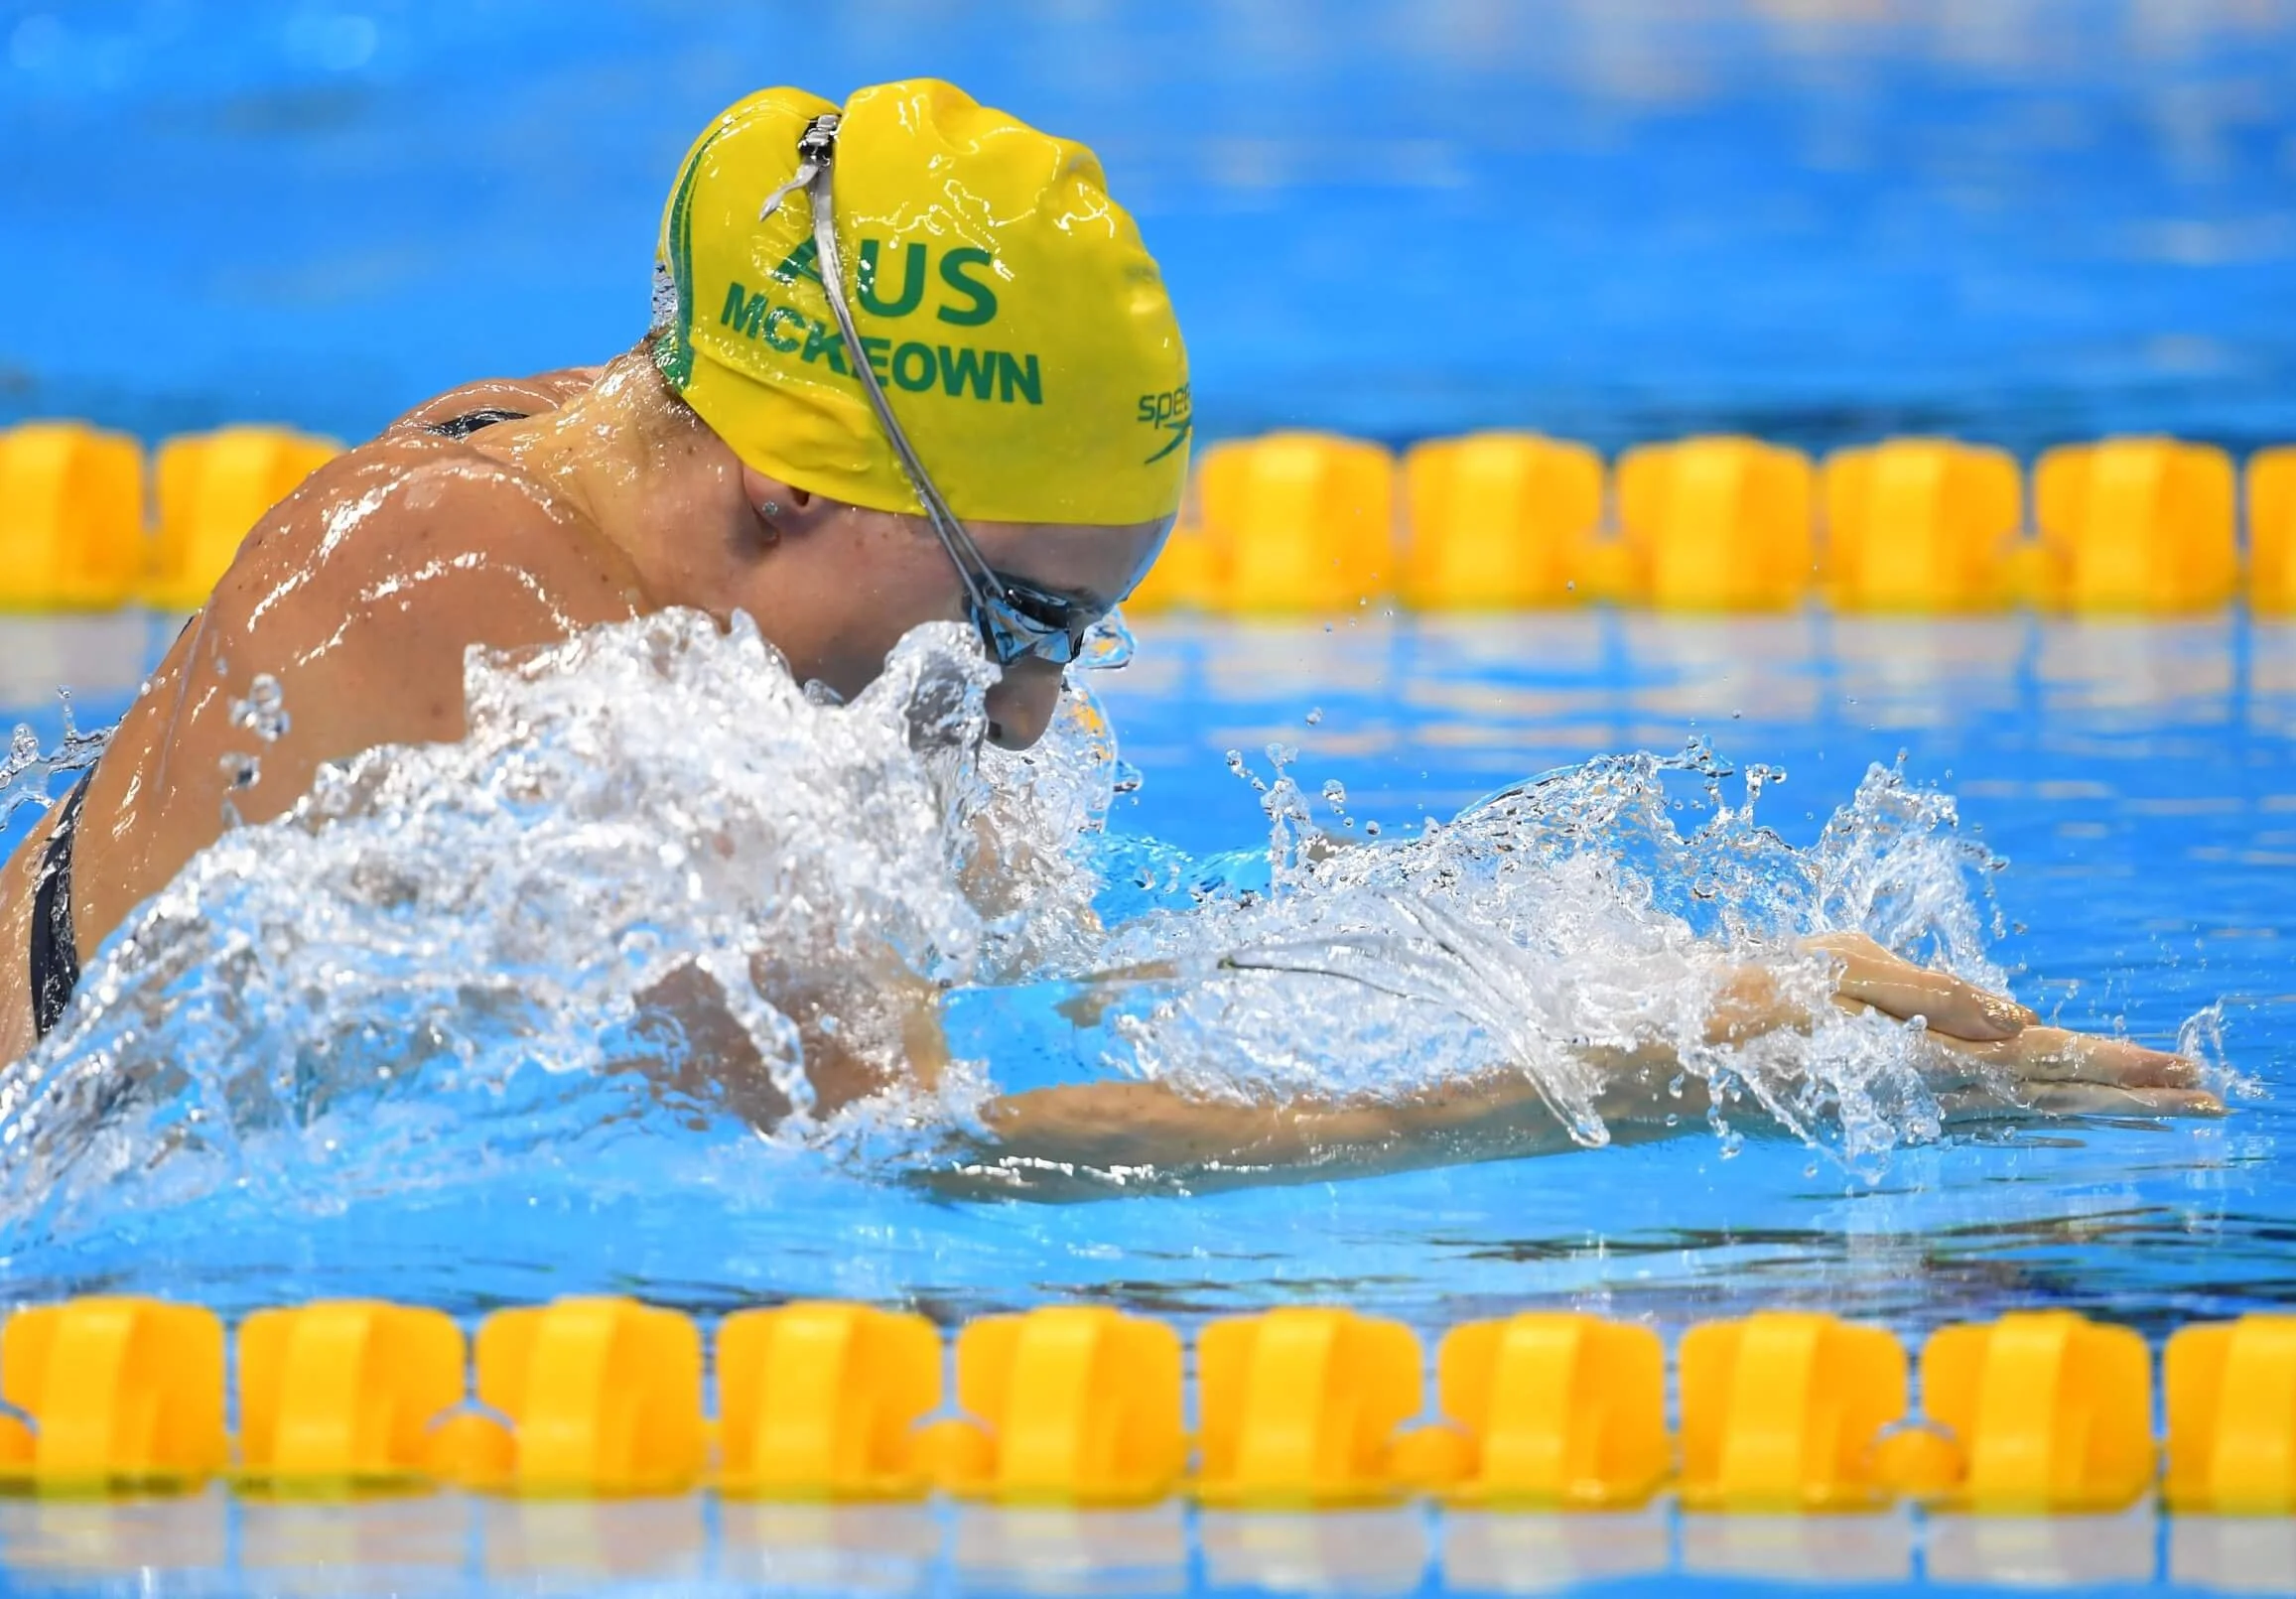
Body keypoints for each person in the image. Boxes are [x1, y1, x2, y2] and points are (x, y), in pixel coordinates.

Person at [0, 80, 2216, 1172]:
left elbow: (984, 967)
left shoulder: (615, 484)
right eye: (1010, 610)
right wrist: (1621, 1082)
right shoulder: (509, 643)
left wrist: (1545, 962)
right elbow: (942, 1161)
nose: (1034, 701)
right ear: (795, 475)